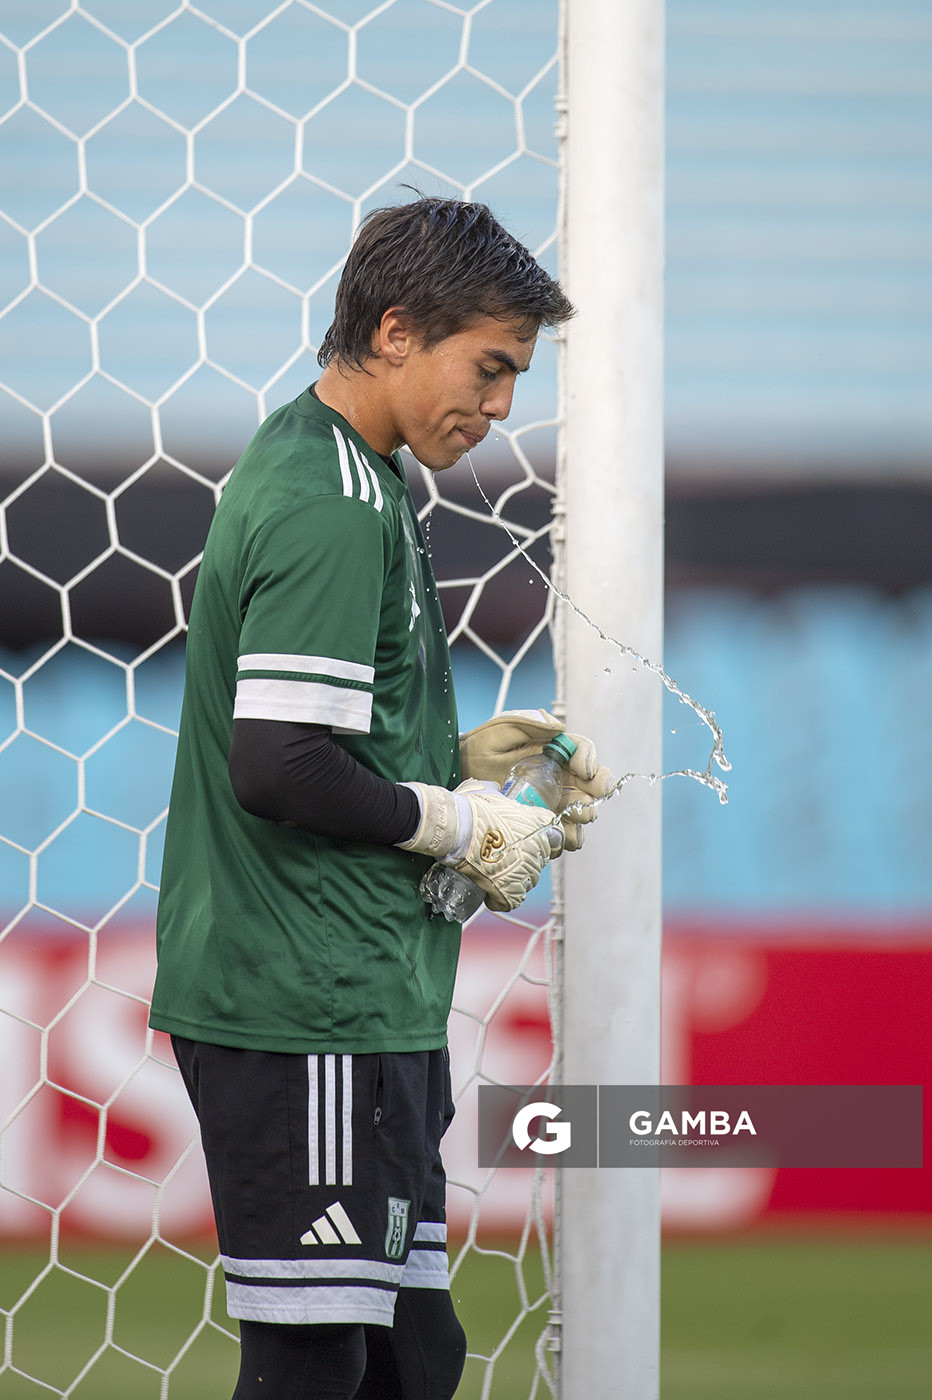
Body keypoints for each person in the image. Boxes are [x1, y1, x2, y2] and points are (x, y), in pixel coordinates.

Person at [149, 196, 612, 1400]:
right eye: (493, 365)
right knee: (314, 1361)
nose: (505, 404)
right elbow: (281, 763)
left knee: (415, 1355)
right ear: (399, 330)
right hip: (308, 998)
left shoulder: (362, 477)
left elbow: (333, 740)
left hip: (363, 994)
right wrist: (456, 821)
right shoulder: (331, 502)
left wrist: (463, 760)